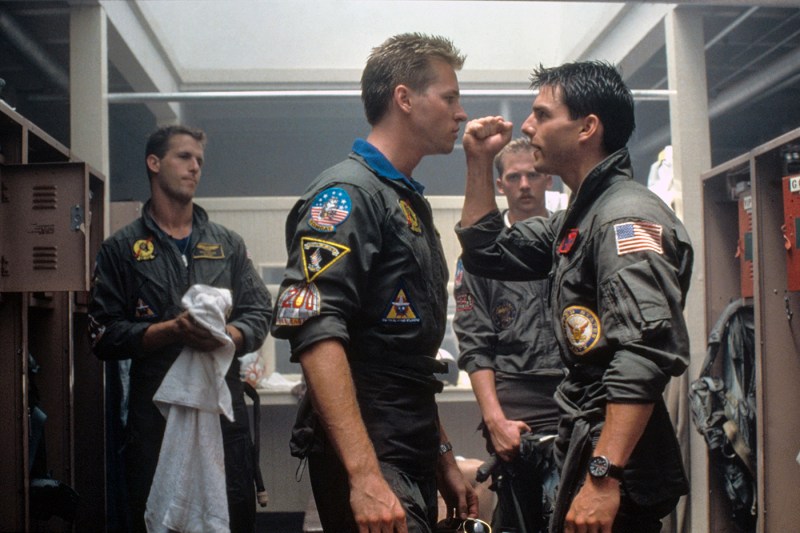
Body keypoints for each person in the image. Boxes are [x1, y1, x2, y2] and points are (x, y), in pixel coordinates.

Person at [456, 61, 693, 533]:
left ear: (587, 128)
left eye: (542, 115)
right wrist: (480, 163)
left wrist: (604, 477)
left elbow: (643, 352)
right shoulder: (581, 218)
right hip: (584, 441)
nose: (527, 126)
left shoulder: (622, 219)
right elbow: (486, 252)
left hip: (613, 456)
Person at [271, 33, 478, 533]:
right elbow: (315, 330)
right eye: (449, 97)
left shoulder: (401, 199)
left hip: (406, 442)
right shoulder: (348, 195)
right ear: (404, 98)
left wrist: (443, 456)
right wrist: (363, 475)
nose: (462, 113)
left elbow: (402, 360)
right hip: (372, 448)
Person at [88, 125, 272, 533]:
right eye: (184, 157)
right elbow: (102, 335)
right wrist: (171, 331)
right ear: (154, 163)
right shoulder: (121, 248)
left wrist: (228, 337)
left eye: (200, 161)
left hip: (224, 417)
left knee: (232, 517)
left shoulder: (227, 244)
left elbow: (261, 313)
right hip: (155, 418)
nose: (195, 168)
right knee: (160, 519)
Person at [452, 138, 565, 533]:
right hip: (516, 406)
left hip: (575, 400)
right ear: (499, 185)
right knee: (520, 519)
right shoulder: (481, 255)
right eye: (514, 177)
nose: (524, 185)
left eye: (533, 174)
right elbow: (474, 343)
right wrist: (495, 420)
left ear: (548, 177)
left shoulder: (574, 242)